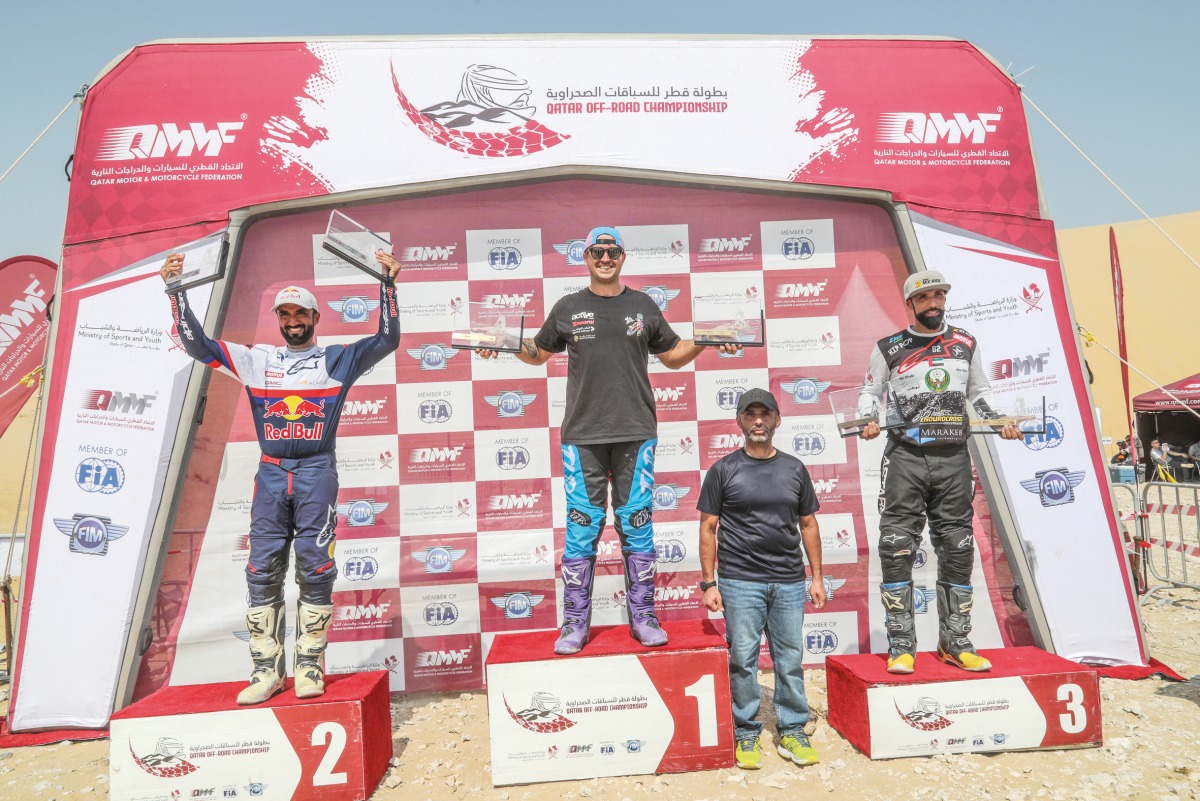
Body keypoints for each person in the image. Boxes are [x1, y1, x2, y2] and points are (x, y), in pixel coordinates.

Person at [479, 226, 737, 655]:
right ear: (585, 256)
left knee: (637, 526)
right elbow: (538, 352)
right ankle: (574, 623)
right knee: (582, 531)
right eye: (597, 251)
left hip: (636, 431)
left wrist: (709, 339)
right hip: (582, 436)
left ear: (622, 256)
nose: (605, 257)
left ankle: (644, 617)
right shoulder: (568, 306)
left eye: (612, 251)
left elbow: (672, 355)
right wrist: (502, 342)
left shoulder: (641, 304)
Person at [161, 249, 401, 704]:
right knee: (261, 569)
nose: (292, 320)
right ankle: (265, 671)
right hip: (271, 475)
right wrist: (176, 291)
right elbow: (197, 345)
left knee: (317, 567)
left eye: (300, 312)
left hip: (316, 473)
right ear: (278, 319)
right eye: (285, 313)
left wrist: (387, 286)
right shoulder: (256, 359)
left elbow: (387, 339)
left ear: (315, 316)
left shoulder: (336, 359)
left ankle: (309, 666)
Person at [859, 270, 1021, 675]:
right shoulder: (889, 346)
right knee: (896, 546)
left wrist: (999, 419)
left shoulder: (965, 342)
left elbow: (979, 392)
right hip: (906, 457)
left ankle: (956, 642)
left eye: (939, 296)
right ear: (910, 304)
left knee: (959, 546)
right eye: (925, 297)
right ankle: (901, 646)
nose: (933, 303)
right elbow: (868, 392)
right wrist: (867, 417)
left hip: (953, 458)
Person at [697, 388, 825, 770]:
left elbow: (808, 524)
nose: (757, 421)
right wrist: (709, 583)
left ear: (777, 420)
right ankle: (747, 733)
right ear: (739, 421)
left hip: (788, 580)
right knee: (743, 659)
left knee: (789, 658)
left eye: (764, 414)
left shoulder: (795, 468)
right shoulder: (723, 469)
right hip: (739, 581)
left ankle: (792, 729)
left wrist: (817, 578)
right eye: (750, 414)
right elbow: (708, 528)